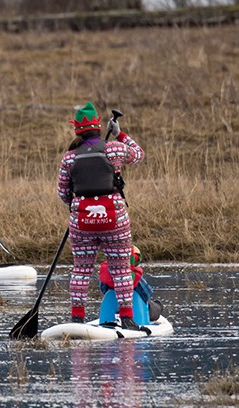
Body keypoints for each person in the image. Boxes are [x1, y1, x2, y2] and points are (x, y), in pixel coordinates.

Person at [58, 101, 145, 330]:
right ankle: (127, 317)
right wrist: (121, 134)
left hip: (81, 222)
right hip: (115, 219)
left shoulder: (69, 158)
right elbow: (138, 155)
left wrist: (76, 208)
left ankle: (76, 319)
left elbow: (62, 192)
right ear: (99, 127)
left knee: (81, 269)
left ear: (77, 129)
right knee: (120, 268)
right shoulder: (114, 148)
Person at [98, 245, 164, 326]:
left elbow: (103, 289)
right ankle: (158, 305)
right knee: (153, 306)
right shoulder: (135, 275)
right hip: (137, 308)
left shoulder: (106, 273)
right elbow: (146, 294)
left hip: (114, 306)